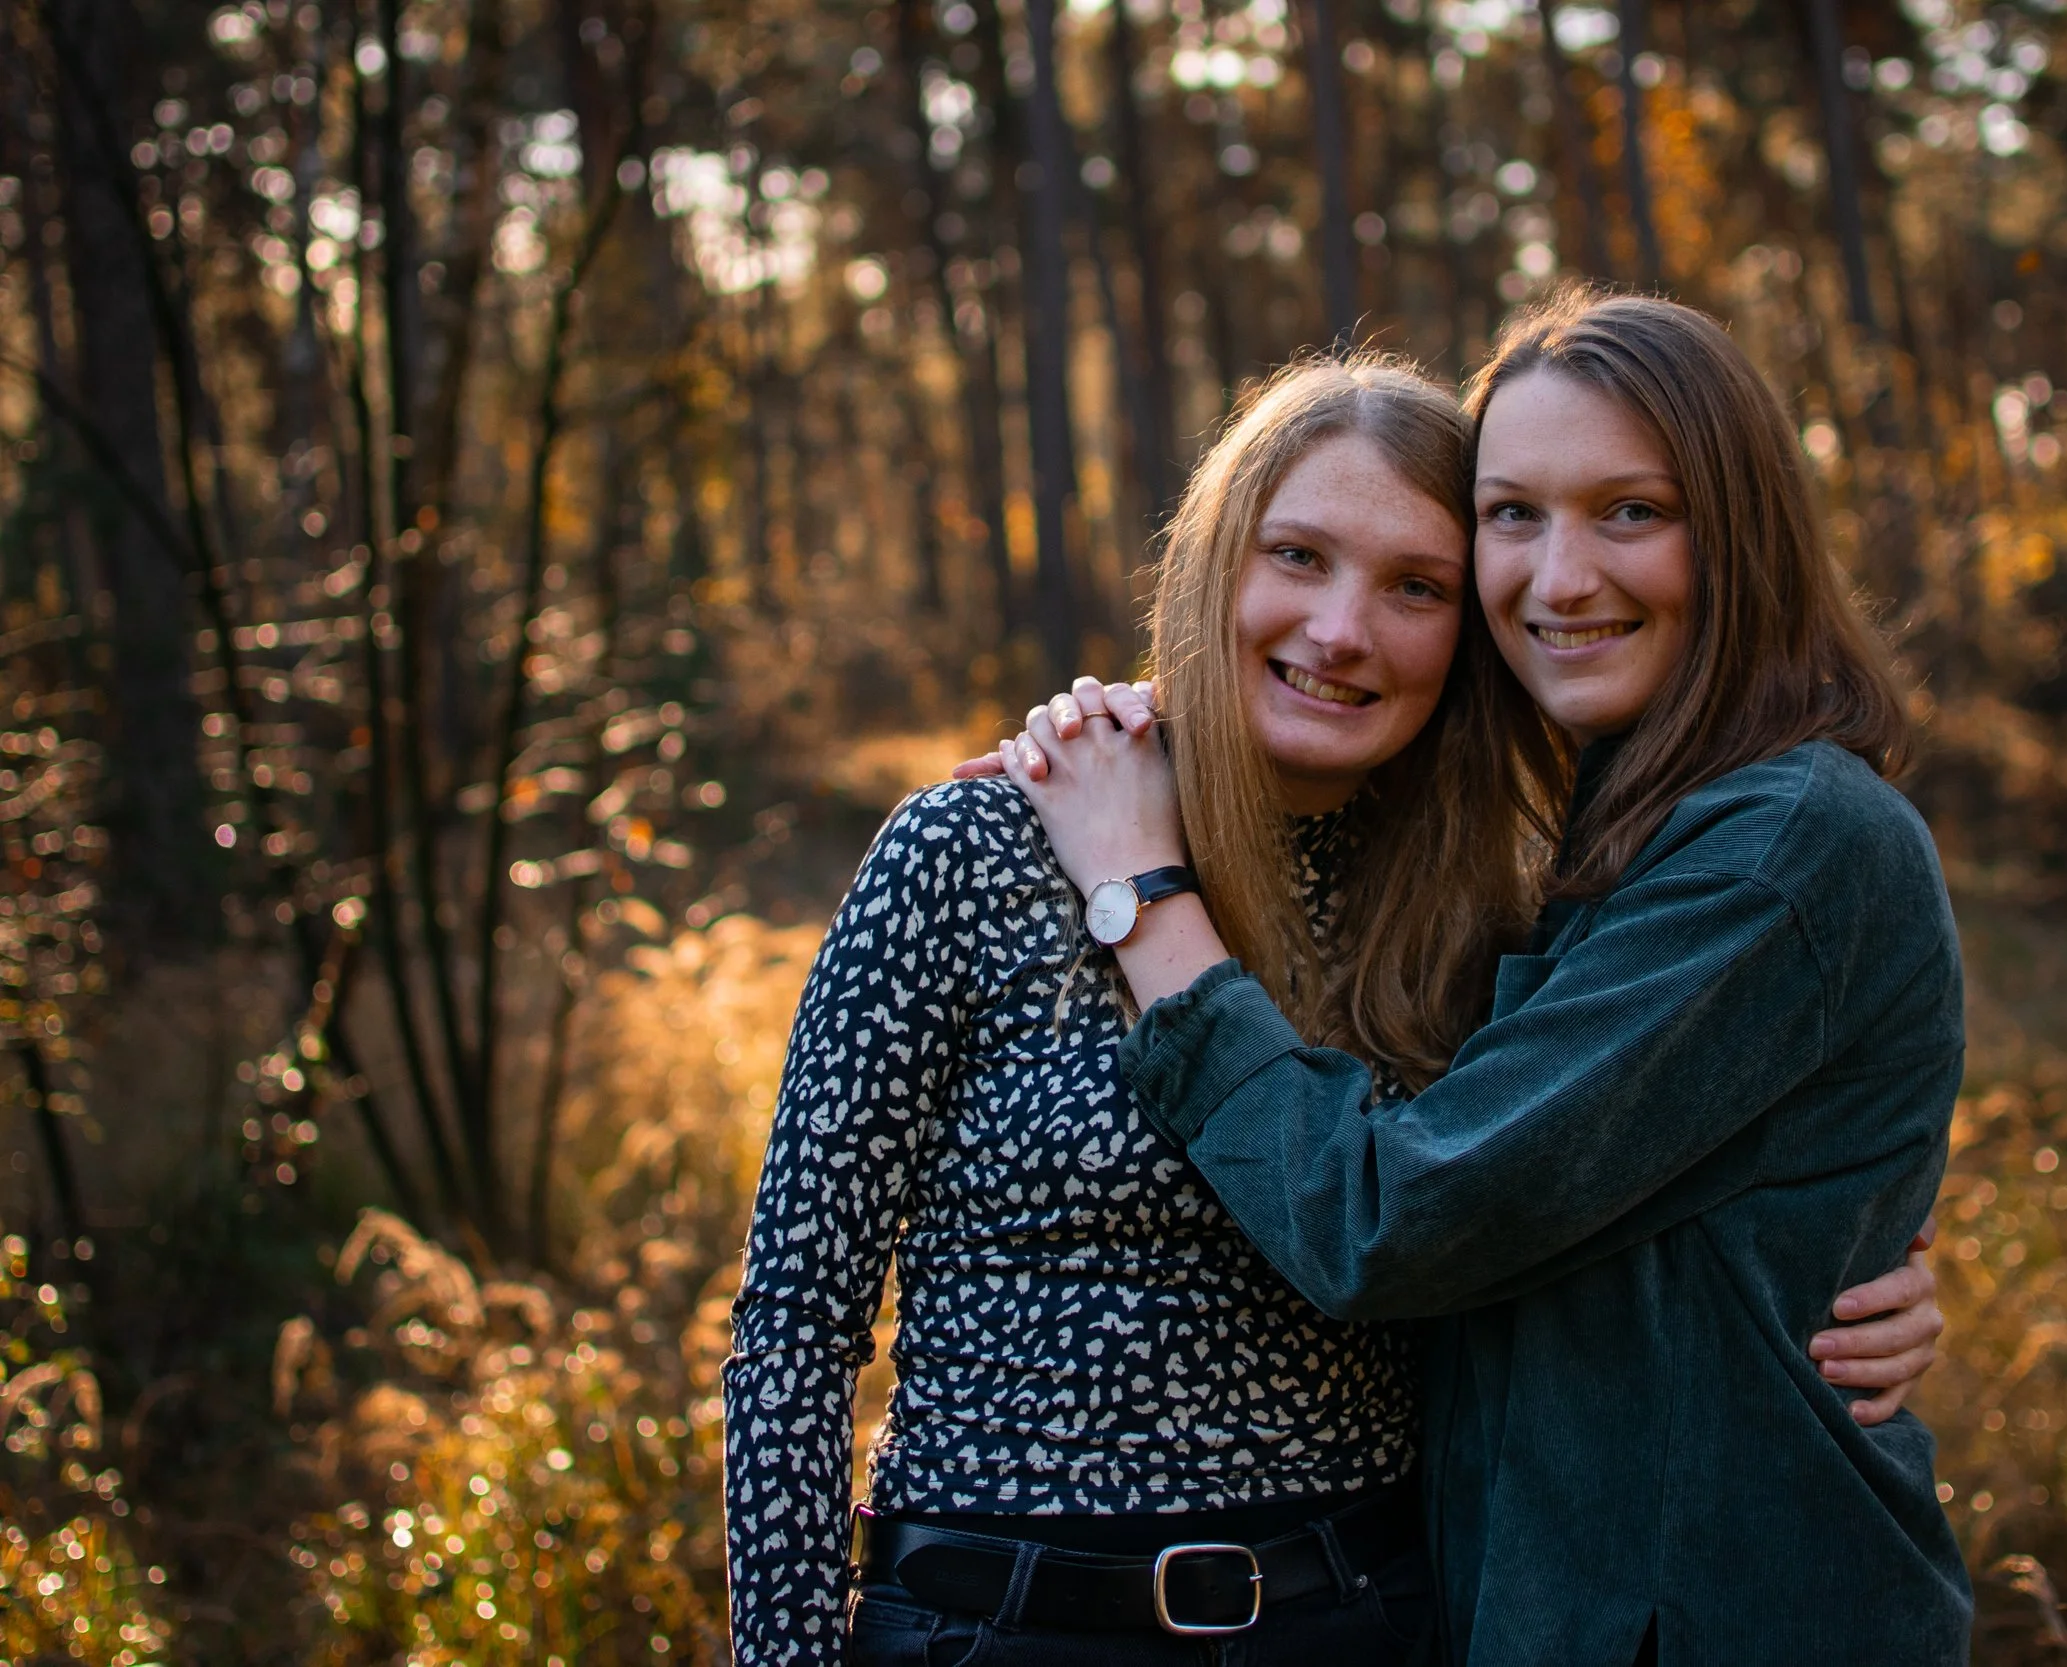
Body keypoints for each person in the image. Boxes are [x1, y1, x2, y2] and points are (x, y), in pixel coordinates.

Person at [722, 353, 1943, 1665]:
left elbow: (1546, 1190)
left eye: (1415, 585)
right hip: (1005, 1618)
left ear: (1469, 626)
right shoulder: (980, 846)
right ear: (1211, 565)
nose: (1343, 629)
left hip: (1371, 1615)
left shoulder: (1489, 905)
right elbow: (798, 1311)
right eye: (1298, 555)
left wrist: (1845, 1262)